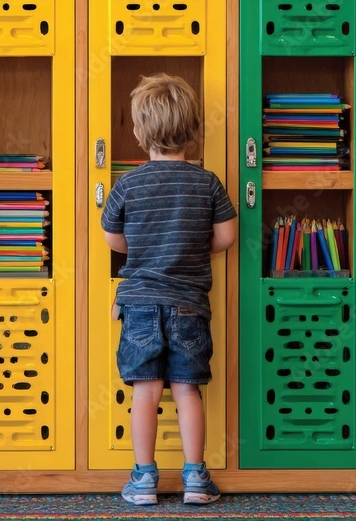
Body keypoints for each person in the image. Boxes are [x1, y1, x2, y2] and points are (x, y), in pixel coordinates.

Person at [101, 73, 236, 506]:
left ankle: (143, 480)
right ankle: (196, 478)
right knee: (186, 389)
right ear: (194, 131)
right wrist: (194, 247)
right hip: (190, 306)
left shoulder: (128, 184)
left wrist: (143, 248)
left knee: (146, 389)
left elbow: (112, 239)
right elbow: (227, 236)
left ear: (139, 134)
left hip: (139, 305)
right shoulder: (207, 182)